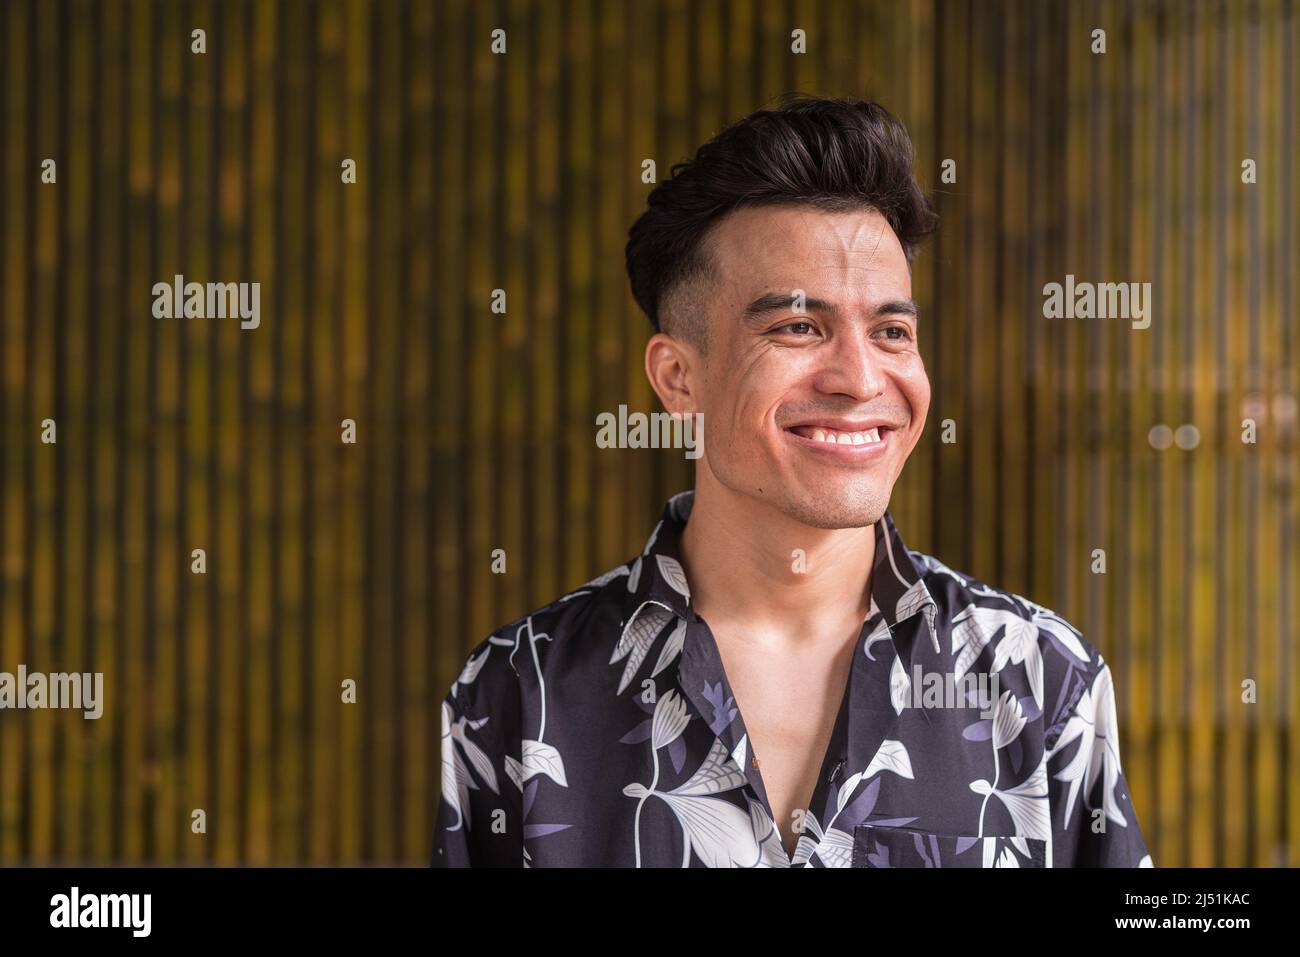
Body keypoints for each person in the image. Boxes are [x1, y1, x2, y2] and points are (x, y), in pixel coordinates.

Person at [432, 94, 1152, 868]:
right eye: (798, 327)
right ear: (678, 378)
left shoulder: (1041, 679)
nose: (859, 377)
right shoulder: (519, 691)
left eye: (891, 331)